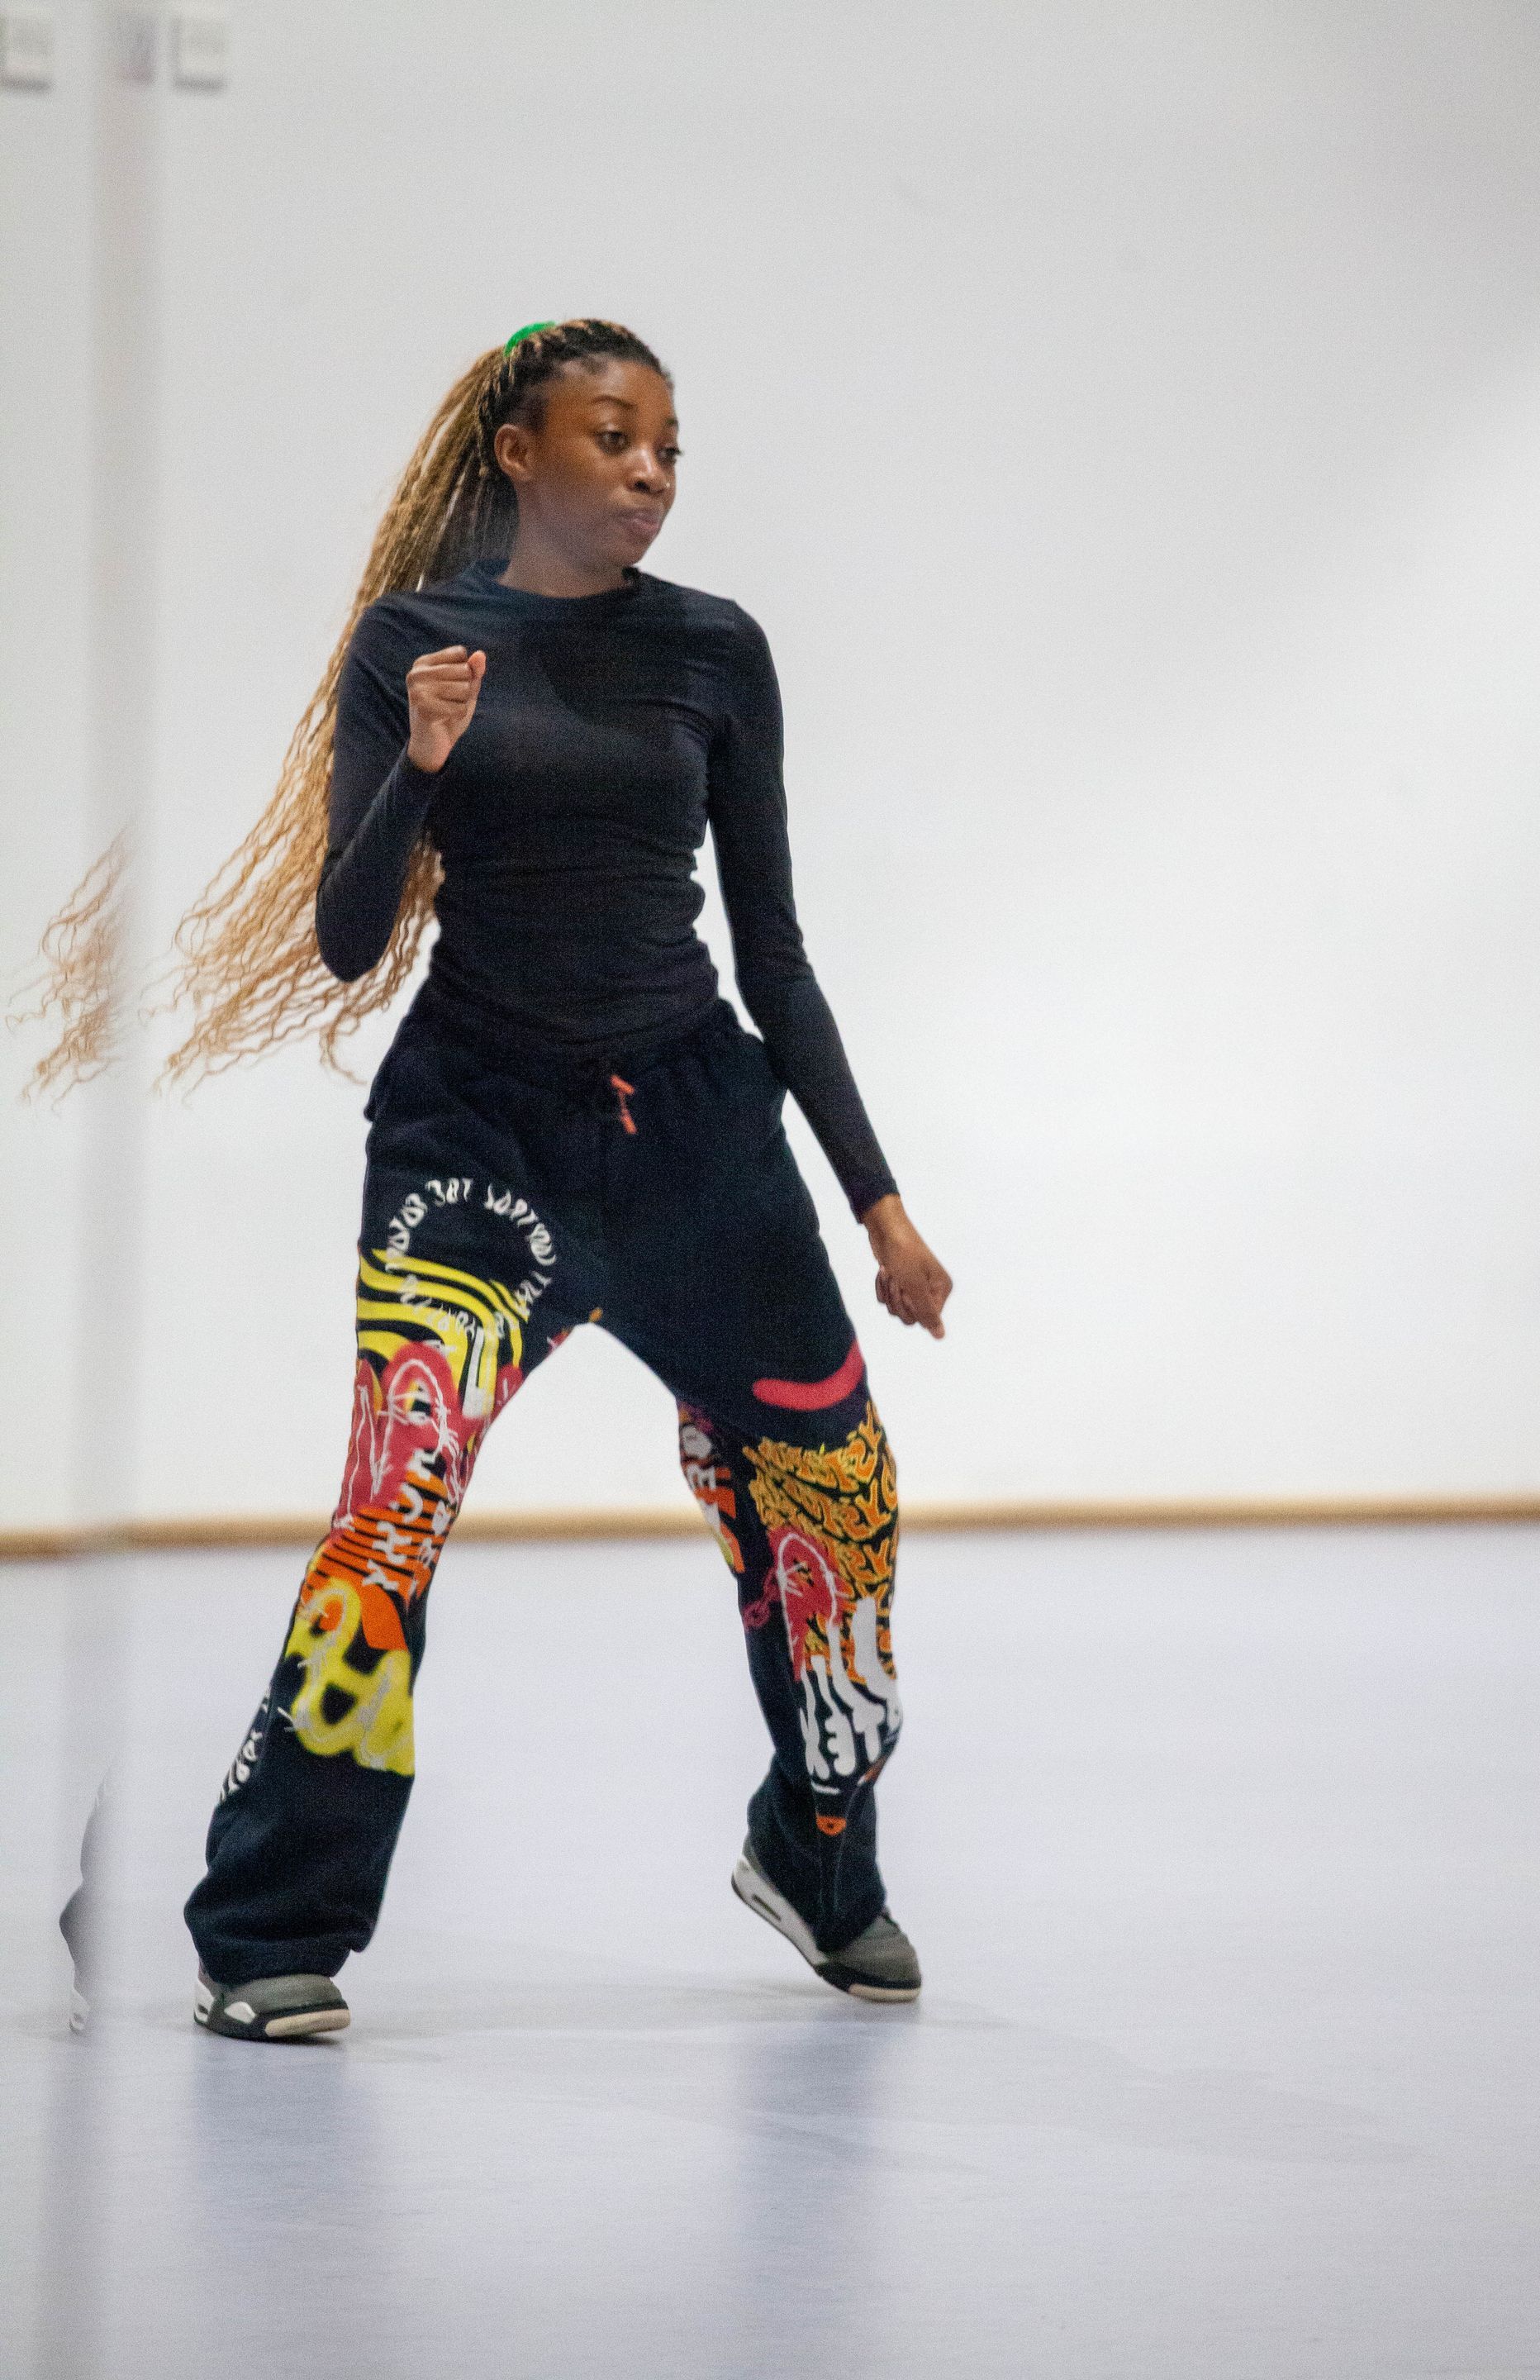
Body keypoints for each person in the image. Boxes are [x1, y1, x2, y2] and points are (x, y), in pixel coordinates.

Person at [152, 317, 952, 2040]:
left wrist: (877, 1198)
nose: (652, 469)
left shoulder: (718, 653)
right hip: (477, 1145)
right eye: (615, 437)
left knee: (843, 1511)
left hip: (698, 1138)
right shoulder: (421, 642)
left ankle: (817, 1857)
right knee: (392, 1513)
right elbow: (350, 941)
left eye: (671, 445)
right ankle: (269, 1928)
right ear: (521, 454)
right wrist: (424, 762)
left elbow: (778, 950)